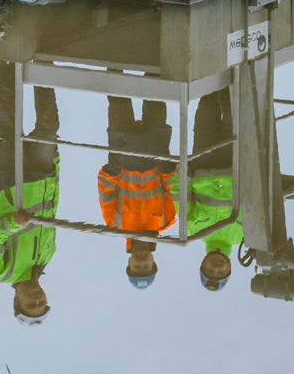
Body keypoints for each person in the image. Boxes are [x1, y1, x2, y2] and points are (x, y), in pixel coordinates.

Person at [0, 69, 60, 324]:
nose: (38, 299)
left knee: (9, 116)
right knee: (49, 126)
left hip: (9, 182)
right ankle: (43, 64)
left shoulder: (0, 273)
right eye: (42, 303)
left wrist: (13, 223)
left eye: (31, 304)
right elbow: (51, 209)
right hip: (42, 175)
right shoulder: (47, 257)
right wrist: (55, 166)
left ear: (17, 301)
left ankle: (8, 58)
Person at [97, 97, 177, 289]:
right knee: (156, 98)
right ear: (153, 262)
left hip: (123, 156)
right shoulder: (166, 221)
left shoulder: (115, 225)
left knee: (119, 100)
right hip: (155, 153)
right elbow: (172, 189)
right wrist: (167, 169)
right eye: (145, 267)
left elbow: (106, 192)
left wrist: (113, 171)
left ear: (129, 262)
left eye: (137, 267)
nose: (141, 262)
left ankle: (116, 75)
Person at [187, 89, 242, 292]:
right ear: (230, 267)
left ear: (203, 263)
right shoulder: (244, 236)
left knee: (207, 107)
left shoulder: (192, 232)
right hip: (233, 164)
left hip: (203, 162)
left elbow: (179, 196)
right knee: (232, 111)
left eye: (210, 270)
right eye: (221, 272)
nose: (216, 268)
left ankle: (211, 73)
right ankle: (232, 73)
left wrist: (183, 173)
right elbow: (264, 207)